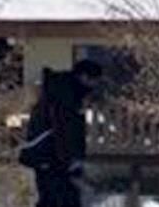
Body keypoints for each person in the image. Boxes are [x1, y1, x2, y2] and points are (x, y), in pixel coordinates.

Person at [20, 59, 104, 207]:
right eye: (94, 81)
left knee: (56, 197)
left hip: (51, 156)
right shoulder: (64, 95)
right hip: (50, 155)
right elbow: (64, 130)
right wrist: (71, 159)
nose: (95, 86)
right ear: (83, 77)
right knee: (58, 198)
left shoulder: (64, 91)